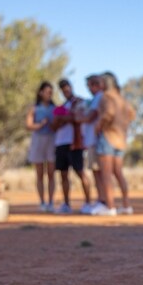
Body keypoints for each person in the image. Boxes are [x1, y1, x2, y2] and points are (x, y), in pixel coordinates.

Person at [90, 72, 136, 216]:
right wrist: (122, 126)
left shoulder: (106, 97)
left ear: (104, 83)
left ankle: (110, 207)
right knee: (118, 173)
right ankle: (126, 205)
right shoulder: (122, 99)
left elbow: (108, 113)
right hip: (120, 139)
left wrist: (99, 125)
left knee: (106, 174)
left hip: (108, 137)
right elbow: (131, 114)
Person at [51, 78, 92, 213]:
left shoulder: (80, 102)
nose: (65, 91)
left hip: (75, 143)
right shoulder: (61, 107)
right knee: (63, 174)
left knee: (80, 172)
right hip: (61, 143)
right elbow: (54, 125)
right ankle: (66, 204)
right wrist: (63, 118)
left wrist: (63, 118)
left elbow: (77, 117)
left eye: (67, 88)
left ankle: (88, 202)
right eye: (63, 89)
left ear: (71, 87)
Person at [25, 81, 56, 212]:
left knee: (51, 173)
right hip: (38, 139)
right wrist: (41, 124)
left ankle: (51, 202)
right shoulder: (34, 108)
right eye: (47, 91)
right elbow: (28, 125)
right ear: (41, 92)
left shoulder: (55, 108)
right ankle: (42, 202)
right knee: (40, 174)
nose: (49, 94)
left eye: (51, 92)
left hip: (51, 139)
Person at [81, 74, 104, 213]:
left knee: (99, 172)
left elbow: (91, 117)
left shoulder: (99, 97)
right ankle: (101, 199)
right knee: (96, 171)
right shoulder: (94, 99)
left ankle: (103, 200)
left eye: (89, 85)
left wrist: (79, 117)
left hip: (95, 140)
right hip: (91, 140)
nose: (89, 89)